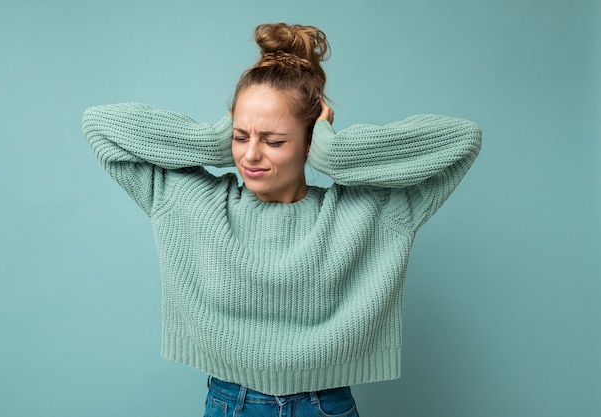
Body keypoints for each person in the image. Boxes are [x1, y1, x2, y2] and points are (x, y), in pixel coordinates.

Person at [82, 22, 481, 417]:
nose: (251, 155)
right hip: (230, 403)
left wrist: (334, 151)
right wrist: (214, 139)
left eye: (273, 141)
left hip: (324, 405)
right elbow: (99, 125)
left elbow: (463, 140)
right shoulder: (189, 200)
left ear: (309, 141)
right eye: (240, 137)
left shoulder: (369, 211)